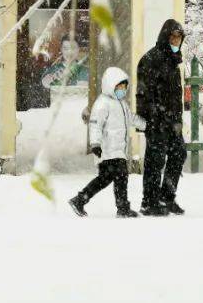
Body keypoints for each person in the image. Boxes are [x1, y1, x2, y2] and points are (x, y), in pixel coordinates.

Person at [68, 66, 145, 218]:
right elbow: (95, 124)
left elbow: (131, 118)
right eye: (119, 86)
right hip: (107, 150)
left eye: (124, 86)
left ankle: (80, 199)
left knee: (105, 179)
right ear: (111, 86)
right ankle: (122, 208)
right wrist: (95, 144)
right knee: (120, 177)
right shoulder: (102, 103)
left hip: (118, 150)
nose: (122, 89)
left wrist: (147, 125)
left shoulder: (122, 104)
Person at [136, 19, 188, 216]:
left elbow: (175, 94)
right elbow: (143, 93)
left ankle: (166, 197)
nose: (176, 41)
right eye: (173, 37)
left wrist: (177, 119)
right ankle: (149, 202)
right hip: (156, 121)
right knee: (155, 161)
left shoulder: (174, 60)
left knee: (178, 154)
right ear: (165, 37)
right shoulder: (151, 59)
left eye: (179, 38)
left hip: (172, 122)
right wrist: (151, 119)